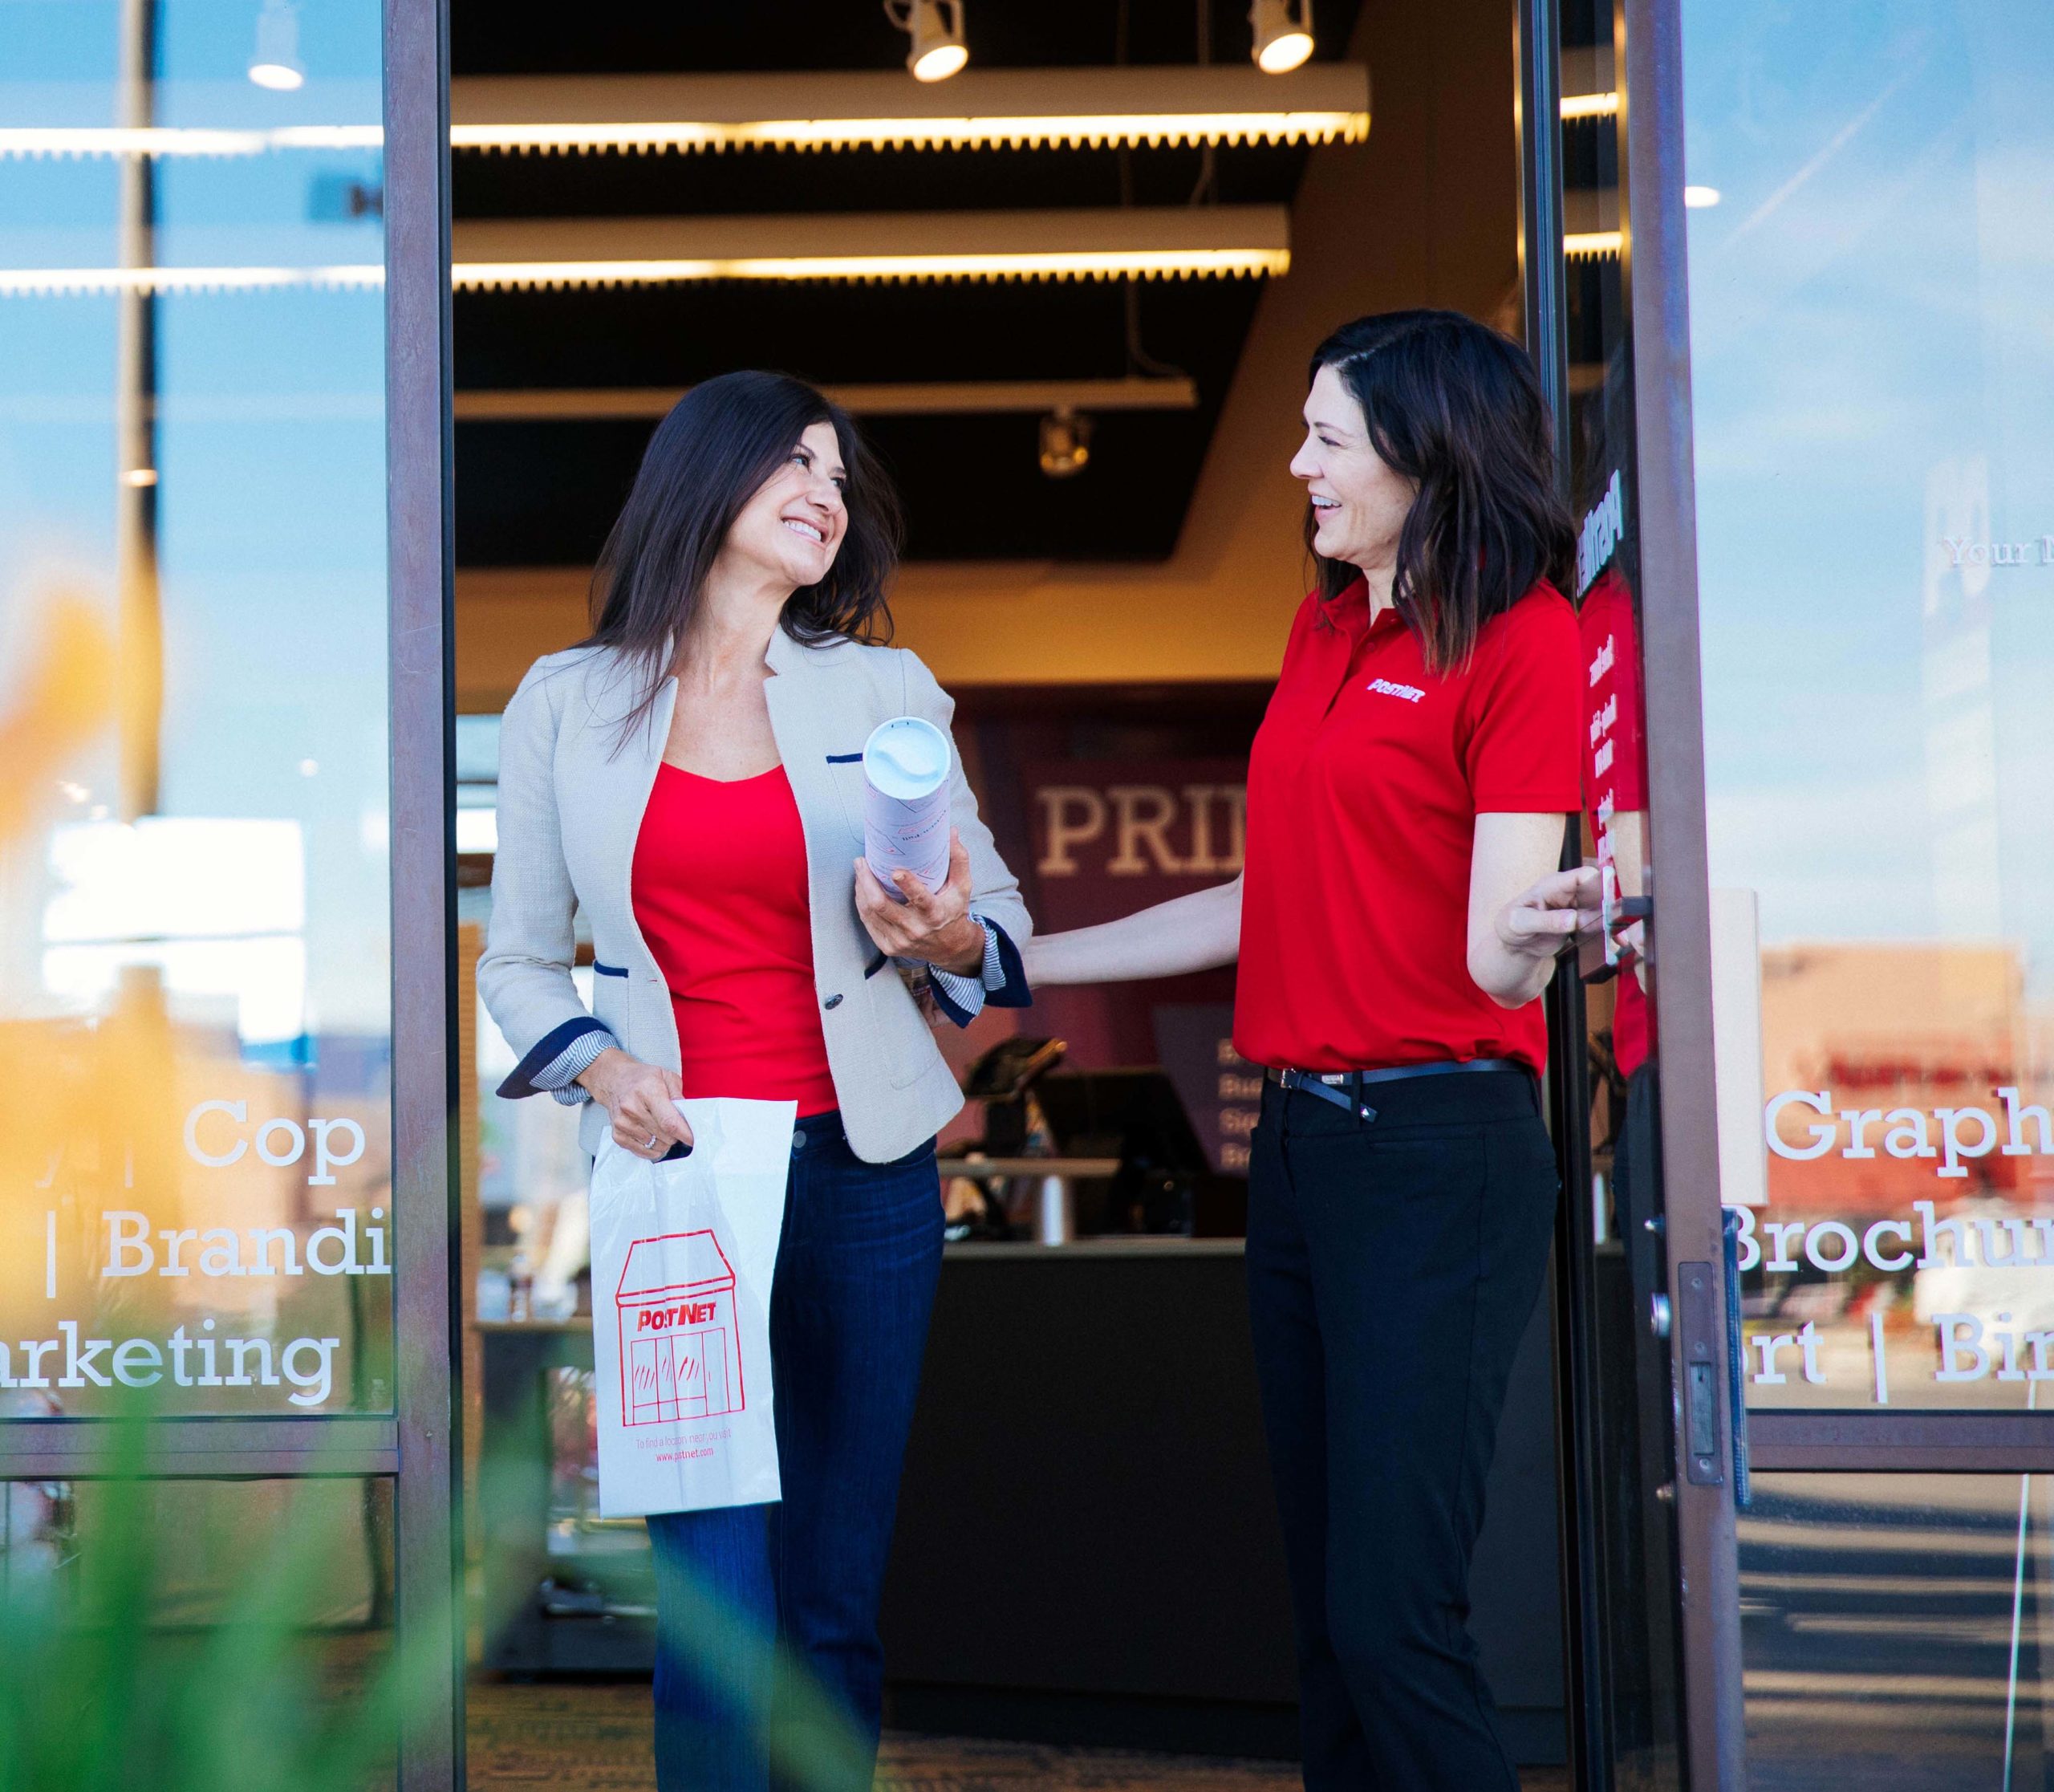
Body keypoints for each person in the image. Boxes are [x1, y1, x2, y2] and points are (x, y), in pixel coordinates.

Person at [1028, 311, 1596, 1791]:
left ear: (1429, 453)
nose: (1297, 465)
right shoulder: (1323, 627)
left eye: (1327, 439)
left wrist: (1547, 926)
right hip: (1301, 1152)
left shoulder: (1526, 639)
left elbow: (1489, 956)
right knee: (1328, 1631)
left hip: (1435, 1153)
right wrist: (1012, 959)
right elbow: (1261, 889)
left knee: (1392, 1615)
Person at [478, 370, 1032, 1792]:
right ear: (703, 483)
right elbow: (523, 963)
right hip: (683, 1182)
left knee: (834, 1599)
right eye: (794, 463)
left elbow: (1000, 924)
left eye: (840, 476)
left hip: (866, 1173)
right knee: (719, 1605)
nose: (826, 494)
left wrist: (953, 932)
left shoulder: (885, 688)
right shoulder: (567, 702)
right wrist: (601, 1067)